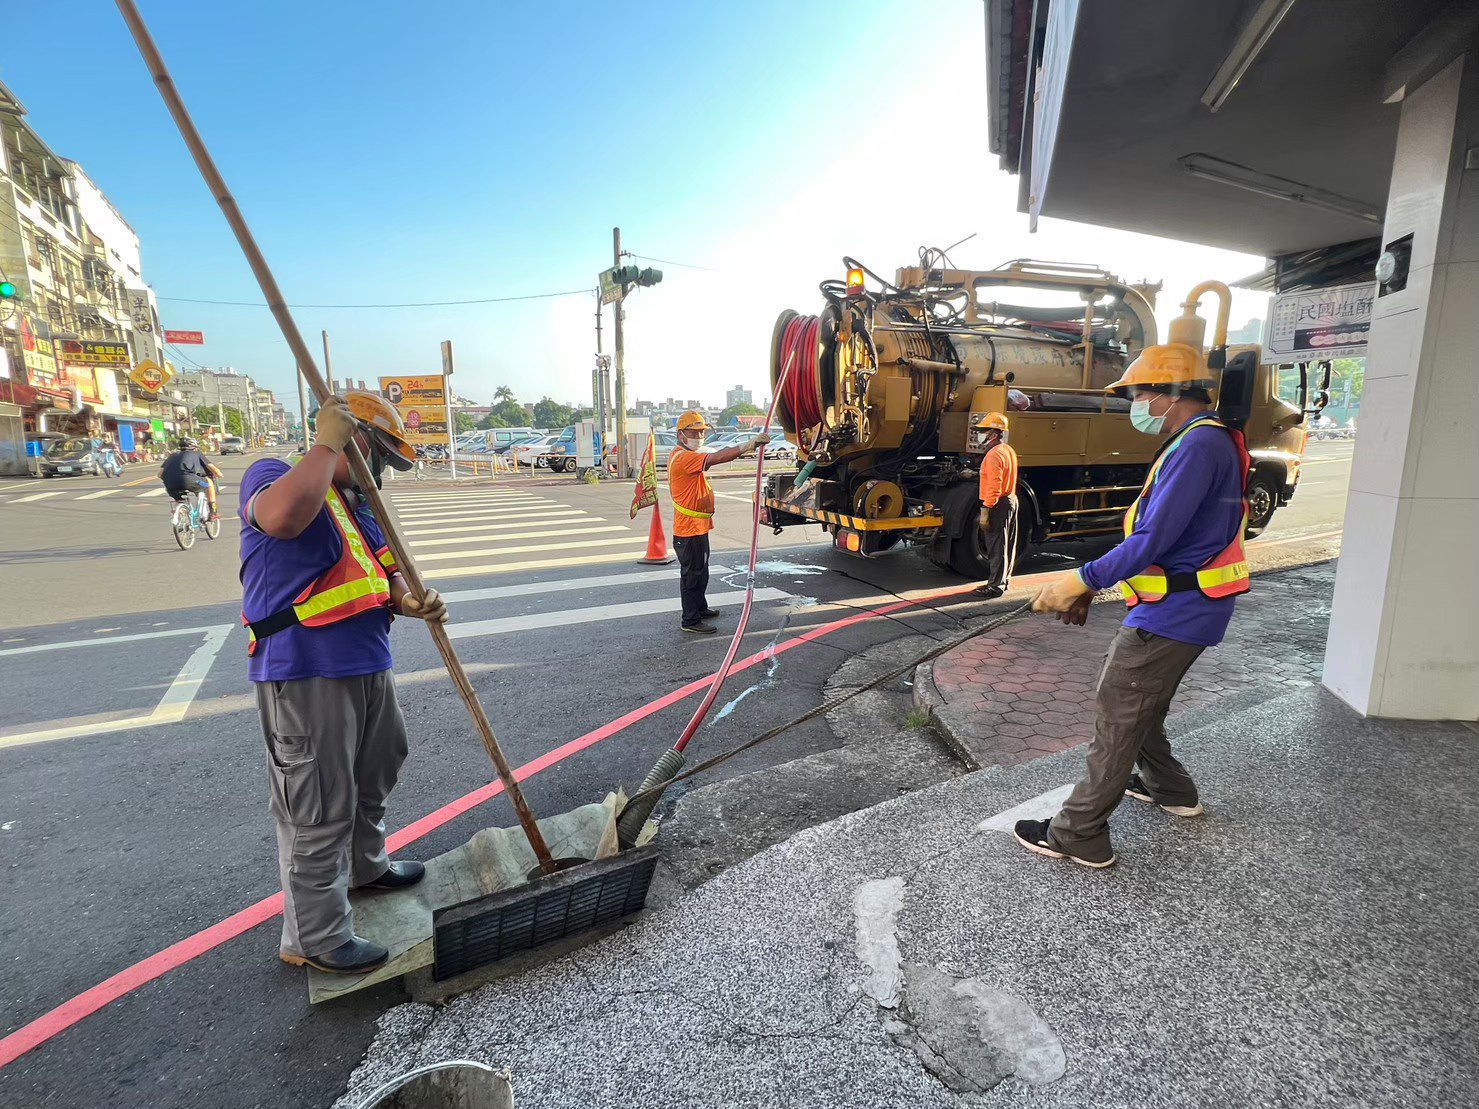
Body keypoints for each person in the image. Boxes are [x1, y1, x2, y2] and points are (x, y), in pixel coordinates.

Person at [1016, 341, 1250, 869]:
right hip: (1182, 605)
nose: (1134, 404)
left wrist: (1081, 579)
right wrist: (1097, 589)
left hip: (1179, 611)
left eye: (1140, 393)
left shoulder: (1197, 446)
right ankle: (1172, 791)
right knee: (1137, 702)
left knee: (1118, 710)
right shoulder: (1203, 440)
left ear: (1171, 393)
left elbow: (1153, 539)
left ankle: (1079, 834)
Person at [240, 392, 446, 975]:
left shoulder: (357, 505)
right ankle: (314, 935)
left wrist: (413, 600)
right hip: (305, 671)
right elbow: (282, 518)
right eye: (374, 454)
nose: (378, 471)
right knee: (318, 802)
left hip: (365, 661)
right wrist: (327, 442)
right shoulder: (275, 475)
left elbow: (383, 575)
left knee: (377, 767)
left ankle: (366, 867)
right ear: (349, 439)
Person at [667, 411, 769, 634]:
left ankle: (700, 608)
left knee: (701, 572)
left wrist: (743, 450)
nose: (699, 436)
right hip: (688, 530)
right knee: (692, 575)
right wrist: (748, 445)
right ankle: (690, 620)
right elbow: (717, 458)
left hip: (697, 527)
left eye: (702, 432)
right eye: (694, 432)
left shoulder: (686, 453)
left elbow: (718, 454)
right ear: (681, 434)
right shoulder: (684, 458)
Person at [972, 411, 1019, 598]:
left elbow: (995, 485)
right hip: (1010, 500)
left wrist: (986, 509)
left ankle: (995, 586)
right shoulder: (1007, 450)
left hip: (998, 504)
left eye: (983, 430)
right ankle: (1003, 581)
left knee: (996, 546)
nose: (980, 434)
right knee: (1007, 544)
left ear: (993, 433)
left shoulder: (993, 455)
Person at [159, 436, 224, 520]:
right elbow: (211, 467)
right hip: (189, 481)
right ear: (194, 447)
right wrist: (219, 474)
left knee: (179, 499)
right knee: (209, 484)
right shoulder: (197, 453)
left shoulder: (172, 455)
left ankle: (179, 513)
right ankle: (213, 512)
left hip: (170, 484)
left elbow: (159, 474)